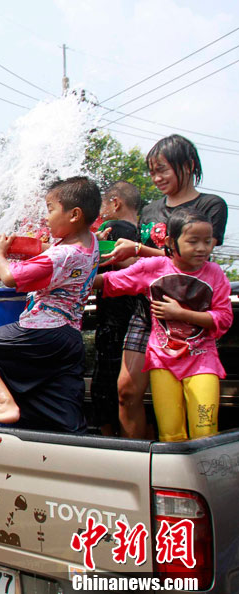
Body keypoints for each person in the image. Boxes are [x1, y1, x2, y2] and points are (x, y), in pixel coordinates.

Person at [103, 135, 228, 439]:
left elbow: (193, 261)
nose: (157, 178)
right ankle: (140, 461)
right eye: (153, 172)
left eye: (163, 170)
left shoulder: (209, 205)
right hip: (148, 312)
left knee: (188, 400)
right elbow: (146, 269)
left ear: (187, 165)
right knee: (126, 391)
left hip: (189, 316)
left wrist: (139, 249)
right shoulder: (150, 211)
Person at [0, 176, 101, 433]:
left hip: (42, 330)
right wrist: (23, 247)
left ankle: (2, 402)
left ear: (74, 214)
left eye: (51, 209)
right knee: (60, 414)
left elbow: (10, 277)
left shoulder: (61, 255)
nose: (46, 217)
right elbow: (50, 252)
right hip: (69, 339)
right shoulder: (90, 244)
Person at [95, 209, 232, 442]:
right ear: (170, 241)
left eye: (208, 242)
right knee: (171, 434)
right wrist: (74, 266)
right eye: (193, 241)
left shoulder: (215, 273)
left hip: (202, 361)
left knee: (205, 431)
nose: (202, 248)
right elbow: (109, 283)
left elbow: (224, 318)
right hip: (162, 361)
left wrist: (182, 313)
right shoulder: (155, 267)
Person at [91, 181, 142, 435]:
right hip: (136, 317)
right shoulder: (140, 233)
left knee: (104, 391)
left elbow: (94, 259)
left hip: (113, 318)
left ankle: (110, 443)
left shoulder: (114, 228)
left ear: (115, 203)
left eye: (102, 204)